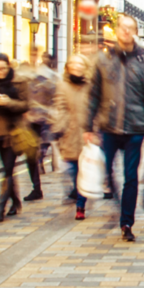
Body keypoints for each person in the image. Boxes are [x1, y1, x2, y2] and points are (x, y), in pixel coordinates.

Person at [84, 14, 144, 242]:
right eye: (123, 28)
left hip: (136, 128)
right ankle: (118, 205)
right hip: (109, 126)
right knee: (106, 172)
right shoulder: (104, 59)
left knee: (130, 177)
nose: (126, 32)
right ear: (116, 31)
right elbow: (93, 94)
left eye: (130, 28)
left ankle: (126, 222)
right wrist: (88, 125)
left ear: (135, 31)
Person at [0, 53, 30, 223]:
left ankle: (0, 207)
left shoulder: (20, 81)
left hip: (14, 133)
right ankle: (16, 201)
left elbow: (26, 104)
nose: (0, 72)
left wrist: (8, 102)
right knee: (7, 169)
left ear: (9, 67)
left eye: (3, 68)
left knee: (7, 170)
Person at [52, 54, 91, 220]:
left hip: (86, 135)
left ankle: (81, 206)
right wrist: (58, 129)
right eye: (73, 64)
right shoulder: (62, 86)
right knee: (73, 170)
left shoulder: (90, 86)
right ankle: (77, 193)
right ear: (68, 67)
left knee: (84, 172)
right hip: (69, 134)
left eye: (80, 64)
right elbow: (60, 108)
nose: (76, 67)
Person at [24, 50, 58, 201]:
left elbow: (57, 97)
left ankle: (43, 164)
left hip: (45, 120)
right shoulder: (29, 75)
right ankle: (36, 187)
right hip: (31, 121)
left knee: (46, 147)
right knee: (32, 155)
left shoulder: (51, 77)